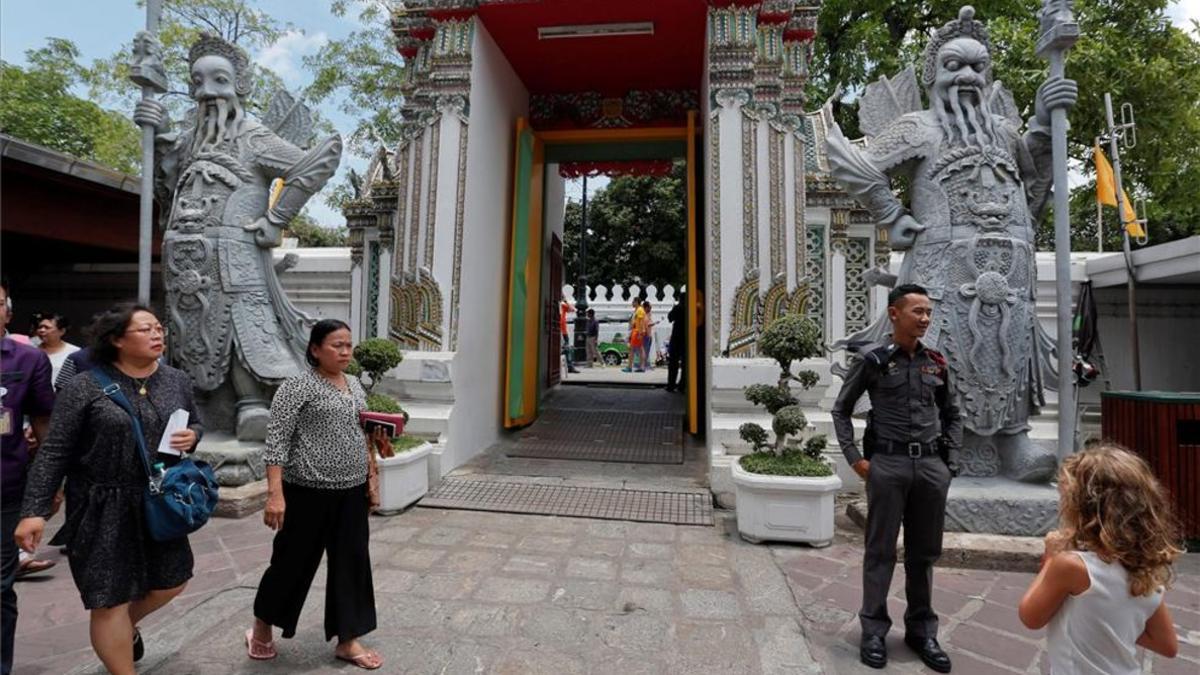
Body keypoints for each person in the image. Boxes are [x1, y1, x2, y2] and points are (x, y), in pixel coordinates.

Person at [14, 302, 203, 675]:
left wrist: (193, 435)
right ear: (117, 339)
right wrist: (34, 511)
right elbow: (55, 450)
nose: (157, 334)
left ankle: (122, 628)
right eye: (145, 329)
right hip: (101, 505)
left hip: (158, 500)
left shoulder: (176, 380)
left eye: (158, 328)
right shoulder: (85, 385)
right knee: (108, 600)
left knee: (172, 581)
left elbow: (196, 420)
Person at [831, 283, 962, 672]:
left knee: (924, 554)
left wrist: (949, 464)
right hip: (887, 467)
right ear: (894, 314)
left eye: (927, 312)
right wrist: (856, 458)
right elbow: (841, 410)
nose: (924, 318)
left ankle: (922, 630)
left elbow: (952, 414)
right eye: (917, 311)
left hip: (930, 470)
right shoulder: (873, 361)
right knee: (880, 552)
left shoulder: (936, 362)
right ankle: (873, 630)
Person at [247, 319, 382, 670]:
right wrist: (275, 496)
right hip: (306, 492)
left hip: (351, 492)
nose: (345, 352)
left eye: (349, 345)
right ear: (315, 349)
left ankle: (347, 639)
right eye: (337, 345)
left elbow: (360, 430)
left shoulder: (354, 384)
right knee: (291, 564)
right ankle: (261, 628)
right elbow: (275, 443)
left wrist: (374, 461)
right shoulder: (297, 387)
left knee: (351, 564)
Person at [1018, 445, 1182, 672]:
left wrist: (1050, 557)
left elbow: (1030, 617)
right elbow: (1167, 644)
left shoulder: (1071, 566)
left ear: (1082, 508)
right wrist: (1108, 626)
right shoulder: (1145, 570)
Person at [0, 284, 55, 675]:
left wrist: (48, 485)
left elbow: (44, 423)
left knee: (0, 587)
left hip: (6, 488)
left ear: (8, 312)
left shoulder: (28, 359)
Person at [35, 313, 81, 391]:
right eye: (40, 327)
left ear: (62, 331)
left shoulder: (74, 352)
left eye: (47, 327)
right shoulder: (31, 350)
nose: (42, 330)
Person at [665, 292, 686, 393]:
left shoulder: (677, 308)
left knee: (673, 363)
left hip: (677, 337)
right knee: (686, 364)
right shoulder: (689, 308)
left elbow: (669, 318)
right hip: (686, 338)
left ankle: (671, 385)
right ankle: (682, 385)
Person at [622, 297, 646, 373]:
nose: (632, 303)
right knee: (640, 349)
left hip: (637, 331)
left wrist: (640, 332)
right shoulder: (637, 310)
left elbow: (641, 322)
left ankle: (630, 367)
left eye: (633, 302)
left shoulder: (639, 310)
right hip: (636, 331)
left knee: (632, 349)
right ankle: (641, 367)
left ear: (636, 302)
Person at [559, 297, 578, 374]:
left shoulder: (562, 305)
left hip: (563, 332)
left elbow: (572, 309)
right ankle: (569, 366)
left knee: (567, 349)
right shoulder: (560, 305)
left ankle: (570, 366)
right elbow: (572, 309)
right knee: (566, 350)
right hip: (560, 332)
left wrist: (565, 301)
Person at [641, 300, 656, 370]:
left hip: (649, 335)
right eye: (649, 307)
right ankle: (643, 365)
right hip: (645, 335)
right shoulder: (643, 314)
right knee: (645, 350)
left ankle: (647, 365)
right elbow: (646, 324)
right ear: (645, 307)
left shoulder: (648, 314)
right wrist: (654, 323)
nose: (650, 309)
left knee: (647, 351)